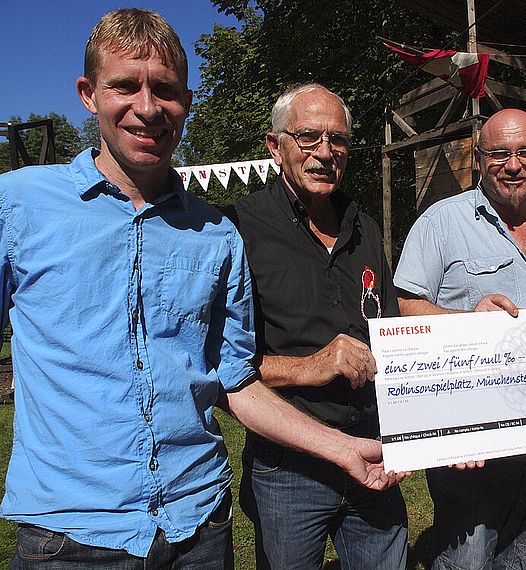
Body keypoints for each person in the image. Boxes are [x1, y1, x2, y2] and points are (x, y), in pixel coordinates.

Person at [0, 11, 402, 570]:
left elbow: (234, 381)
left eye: (164, 90)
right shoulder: (18, 206)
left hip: (199, 528)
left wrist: (344, 450)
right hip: (72, 538)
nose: (147, 107)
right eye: (125, 86)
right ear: (88, 94)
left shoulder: (215, 233)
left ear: (185, 101)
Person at [222, 83, 408, 570]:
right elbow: (218, 366)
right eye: (308, 137)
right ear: (274, 146)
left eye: (338, 140)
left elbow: (393, 336)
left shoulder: (364, 226)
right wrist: (308, 367)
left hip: (373, 456)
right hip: (290, 469)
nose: (324, 153)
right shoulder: (237, 229)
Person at [394, 108, 526, 570]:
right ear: (478, 159)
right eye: (499, 153)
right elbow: (405, 307)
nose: (513, 165)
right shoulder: (441, 222)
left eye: (525, 152)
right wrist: (466, 320)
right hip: (475, 439)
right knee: (468, 559)